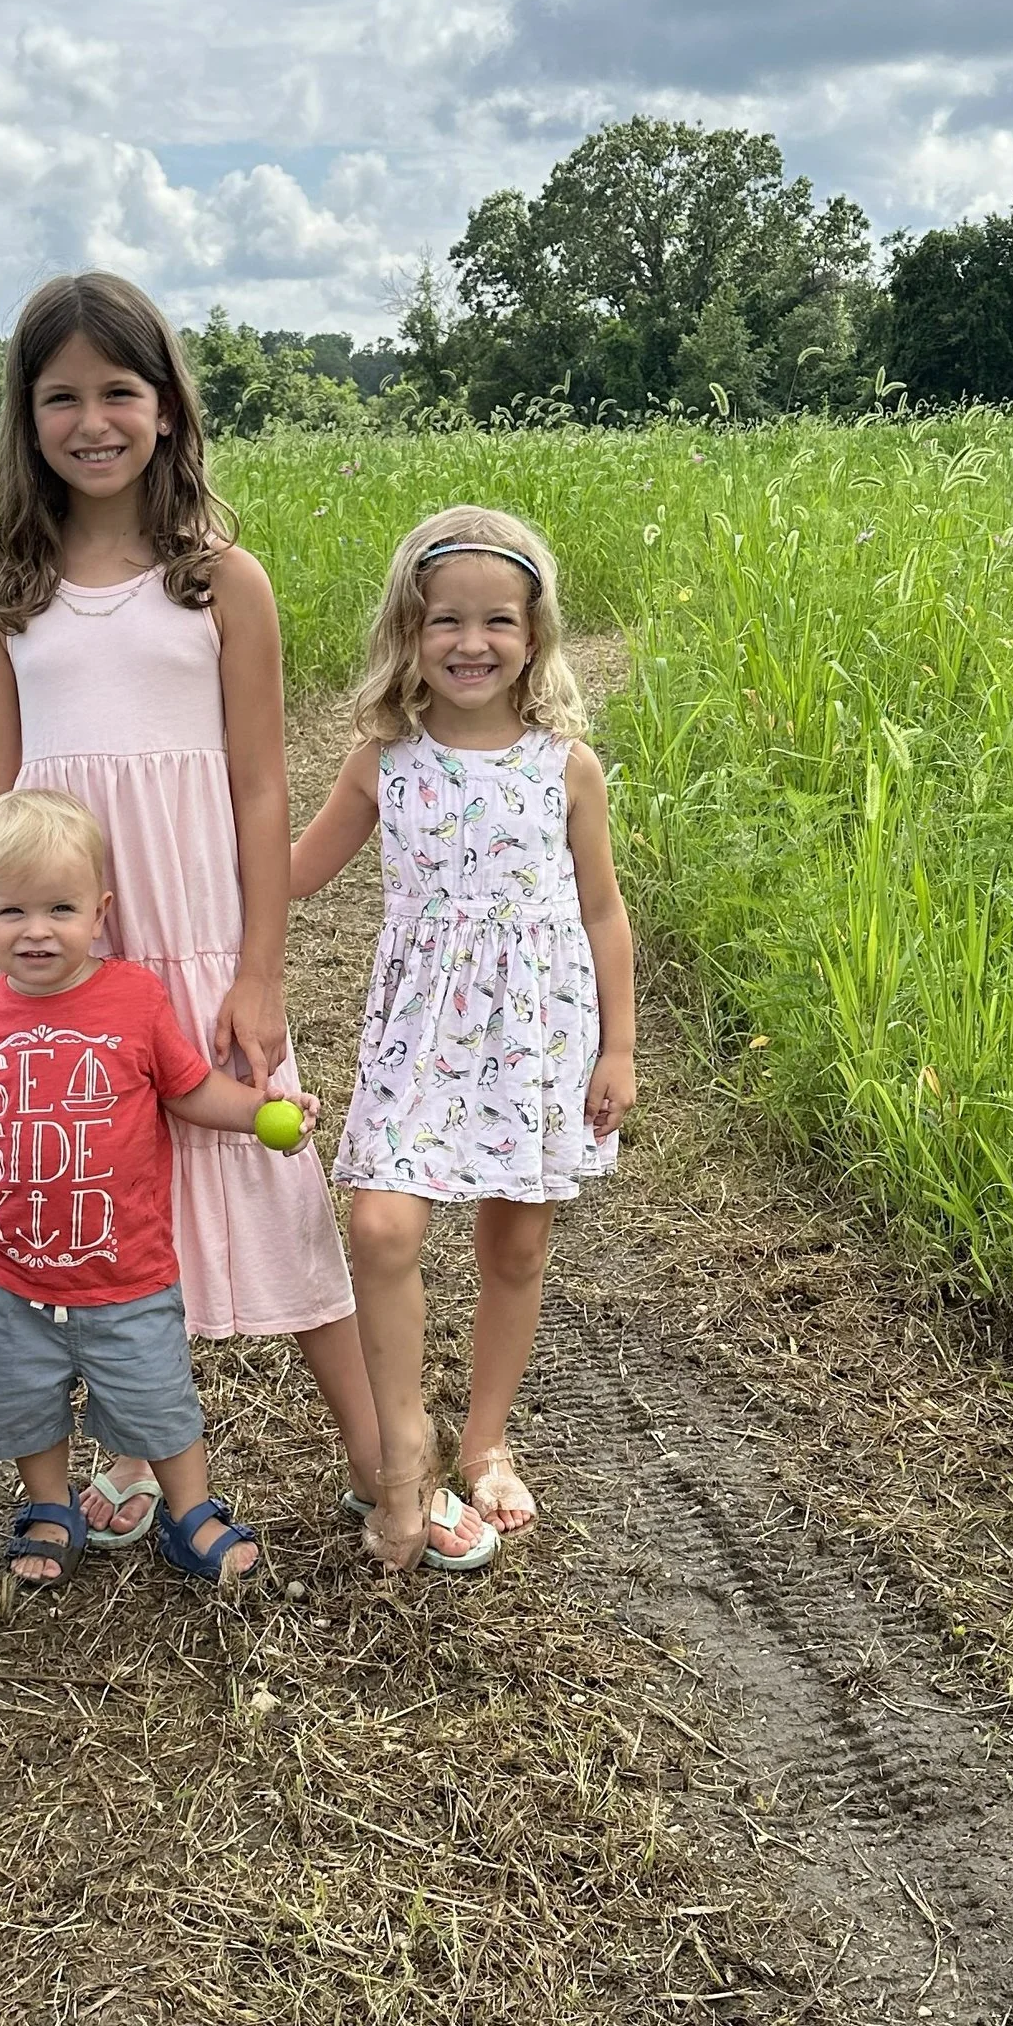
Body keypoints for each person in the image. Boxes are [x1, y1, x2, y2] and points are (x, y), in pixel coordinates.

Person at [0, 271, 382, 1549]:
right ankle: (103, 1467)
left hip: (198, 930)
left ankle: (382, 1458)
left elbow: (262, 779)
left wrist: (261, 969)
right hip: (61, 938)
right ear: (26, 417)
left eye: (120, 390)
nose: (92, 419)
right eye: (61, 396)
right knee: (77, 1196)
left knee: (268, 1188)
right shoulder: (6, 592)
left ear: (166, 409)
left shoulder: (220, 580)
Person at [290, 507, 637, 1575]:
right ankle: (405, 1447)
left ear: (534, 638)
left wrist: (616, 1048)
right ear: (410, 629)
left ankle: (483, 1440)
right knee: (386, 1227)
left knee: (514, 1245)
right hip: (419, 1035)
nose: (471, 642)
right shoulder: (383, 761)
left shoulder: (563, 765)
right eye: (446, 620)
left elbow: (603, 913)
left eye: (498, 620)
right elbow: (291, 877)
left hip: (535, 1038)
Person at [0, 787, 316, 1593]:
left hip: (128, 1274)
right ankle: (50, 1506)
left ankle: (189, 1513)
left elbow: (188, 1089)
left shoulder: (133, 999)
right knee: (24, 1403)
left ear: (100, 910)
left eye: (61, 907)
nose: (38, 929)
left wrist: (261, 1111)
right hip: (11, 1277)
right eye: (13, 911)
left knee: (160, 1400)